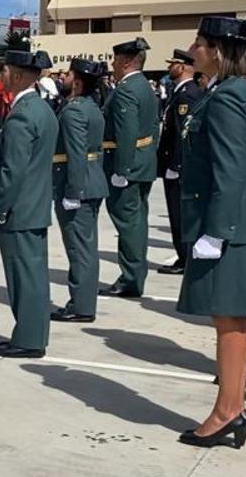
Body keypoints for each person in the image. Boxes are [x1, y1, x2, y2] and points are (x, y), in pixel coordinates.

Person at [175, 16, 246, 449]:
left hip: (224, 224)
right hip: (234, 222)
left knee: (228, 319)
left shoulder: (228, 97)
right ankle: (235, 405)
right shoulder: (236, 91)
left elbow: (229, 169)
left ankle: (228, 411)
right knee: (235, 319)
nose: (193, 48)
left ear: (217, 51)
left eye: (200, 43)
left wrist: (217, 231)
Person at [0, 50, 59, 359]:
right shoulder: (41, 109)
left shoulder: (21, 115)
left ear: (16, 76)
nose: (0, 76)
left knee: (23, 277)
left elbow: (11, 170)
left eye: (4, 71)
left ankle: (29, 338)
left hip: (20, 208)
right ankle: (32, 333)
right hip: (36, 204)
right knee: (33, 275)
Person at [99, 37, 160, 299]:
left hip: (128, 164)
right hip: (142, 161)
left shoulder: (126, 89)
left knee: (129, 224)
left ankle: (131, 278)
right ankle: (134, 274)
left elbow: (127, 133)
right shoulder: (142, 86)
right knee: (136, 221)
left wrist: (121, 170)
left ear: (125, 62)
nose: (112, 64)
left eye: (115, 59)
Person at [50, 59, 110, 324]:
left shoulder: (74, 111)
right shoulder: (90, 107)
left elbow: (76, 154)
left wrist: (73, 191)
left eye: (68, 74)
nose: (62, 77)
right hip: (92, 181)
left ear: (77, 82)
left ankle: (82, 305)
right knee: (86, 247)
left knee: (79, 249)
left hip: (79, 185)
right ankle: (83, 301)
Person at [156, 49, 203, 276]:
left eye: (173, 63)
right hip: (173, 162)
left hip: (179, 166)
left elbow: (182, 134)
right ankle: (183, 256)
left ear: (183, 66)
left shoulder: (187, 94)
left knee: (179, 214)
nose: (169, 67)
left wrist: (176, 165)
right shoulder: (181, 91)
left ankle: (185, 258)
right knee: (176, 214)